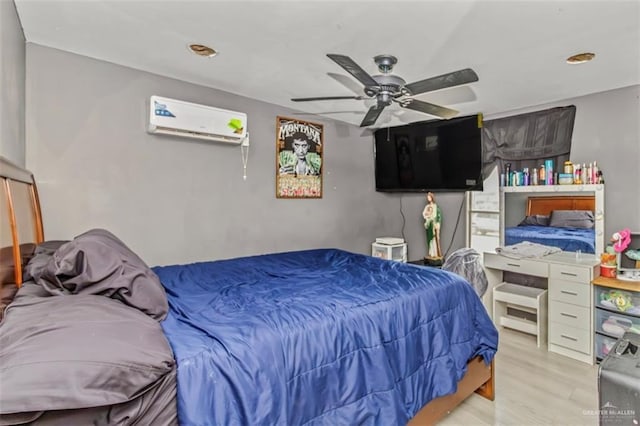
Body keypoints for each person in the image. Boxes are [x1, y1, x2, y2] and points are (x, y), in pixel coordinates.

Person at [422, 192, 443, 262]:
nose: (428, 198)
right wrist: (427, 216)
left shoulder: (435, 206)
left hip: (433, 225)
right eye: (427, 197)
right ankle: (431, 253)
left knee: (434, 238)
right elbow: (424, 214)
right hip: (429, 224)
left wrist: (437, 223)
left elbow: (438, 216)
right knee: (429, 239)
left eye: (429, 197)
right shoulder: (427, 206)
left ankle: (435, 253)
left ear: (432, 197)